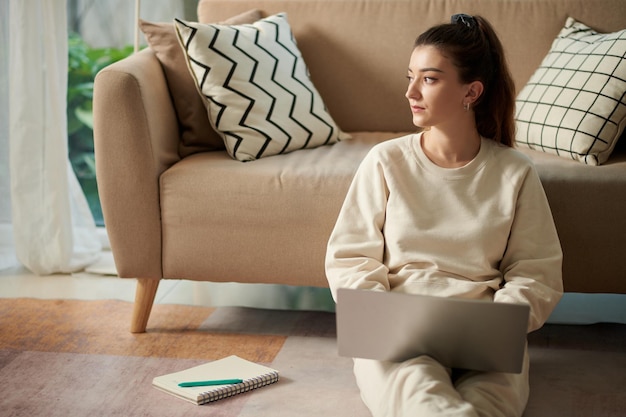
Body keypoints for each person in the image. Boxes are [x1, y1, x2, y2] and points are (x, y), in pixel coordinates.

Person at [325, 14, 563, 417]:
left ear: (471, 91)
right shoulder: (386, 161)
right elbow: (351, 257)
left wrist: (500, 321)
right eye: (410, 77)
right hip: (398, 330)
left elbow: (535, 271)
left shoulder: (514, 171)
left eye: (429, 79)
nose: (410, 92)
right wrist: (378, 315)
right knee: (422, 400)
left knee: (491, 405)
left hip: (485, 330)